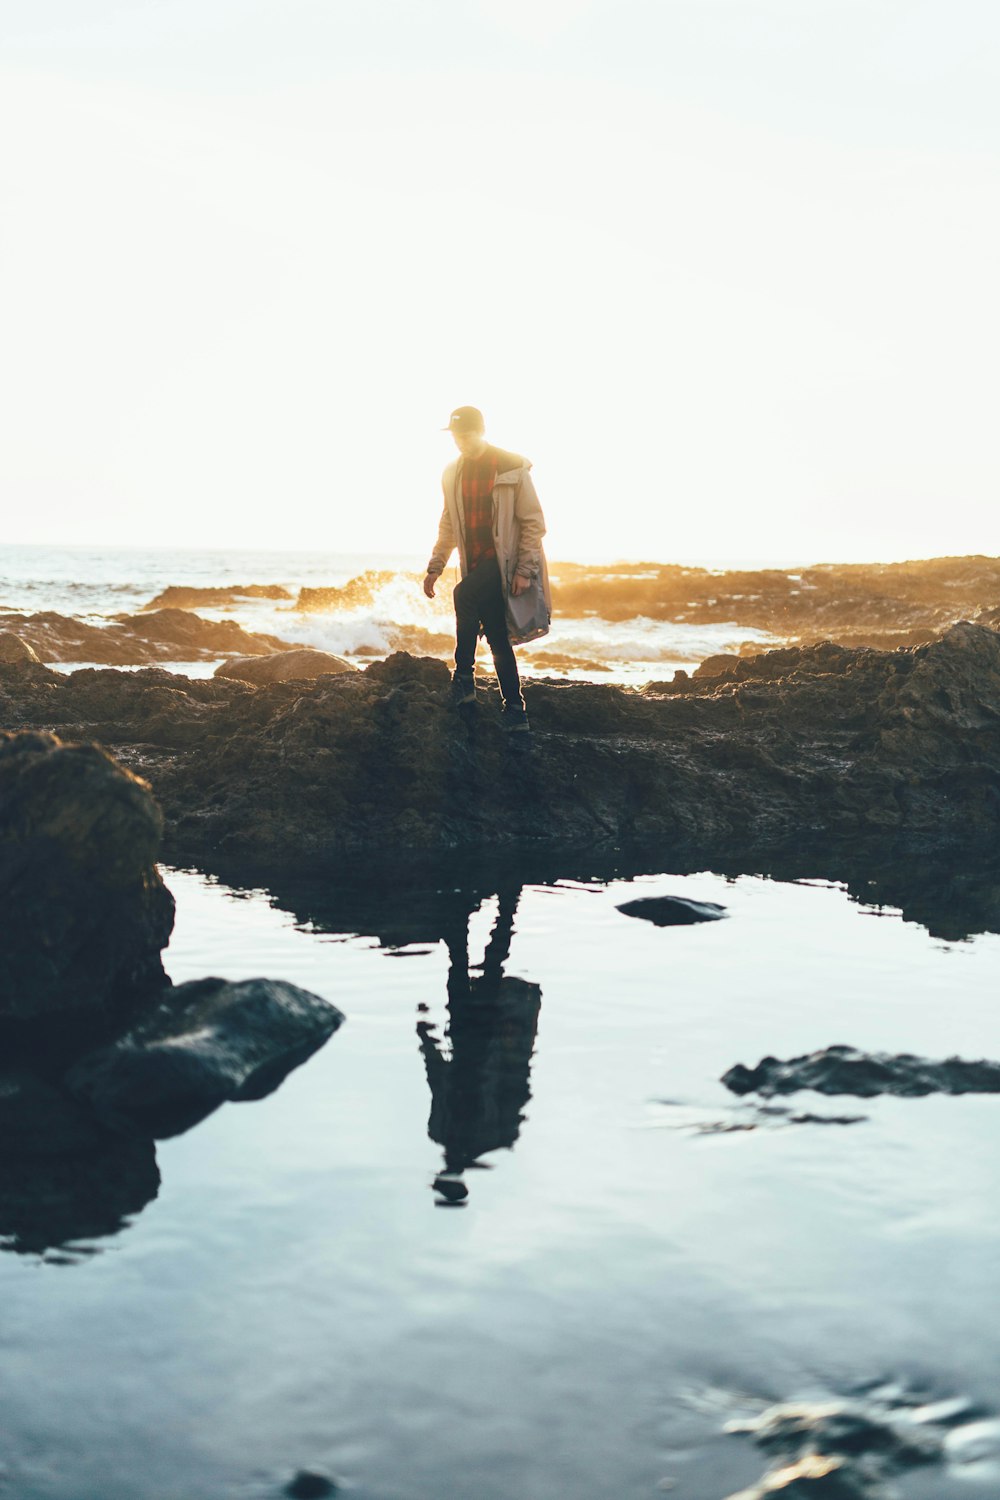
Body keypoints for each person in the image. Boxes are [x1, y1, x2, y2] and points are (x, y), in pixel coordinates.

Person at [423, 405, 550, 734]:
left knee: (463, 595)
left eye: (465, 435)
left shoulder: (511, 468)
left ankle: (463, 676)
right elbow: (449, 524)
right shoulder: (453, 473)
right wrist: (436, 566)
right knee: (496, 635)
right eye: (455, 436)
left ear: (480, 431)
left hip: (503, 563)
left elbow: (533, 523)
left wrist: (524, 569)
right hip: (475, 564)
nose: (460, 442)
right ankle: (516, 711)